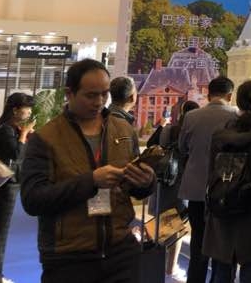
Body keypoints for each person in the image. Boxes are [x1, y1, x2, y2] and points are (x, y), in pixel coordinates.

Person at [20, 59, 155, 283]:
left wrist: (146, 182)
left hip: (121, 253)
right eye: (91, 95)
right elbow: (32, 199)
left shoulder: (123, 130)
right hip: (69, 258)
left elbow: (134, 190)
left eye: (104, 94)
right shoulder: (46, 138)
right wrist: (91, 181)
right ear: (69, 93)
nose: (99, 102)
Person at [203, 80, 251, 283]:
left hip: (222, 205)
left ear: (237, 100)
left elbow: (211, 172)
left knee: (221, 270)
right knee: (250, 270)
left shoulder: (220, 133)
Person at [178, 76, 237, 283]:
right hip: (225, 191)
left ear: (209, 95)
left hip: (196, 189)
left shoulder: (191, 116)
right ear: (230, 96)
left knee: (198, 242)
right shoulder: (236, 116)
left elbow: (182, 147)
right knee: (223, 244)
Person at [158, 99, 199, 283]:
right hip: (185, 182)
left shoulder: (170, 130)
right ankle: (171, 269)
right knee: (177, 227)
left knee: (165, 226)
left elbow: (161, 150)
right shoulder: (194, 132)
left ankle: (160, 266)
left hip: (168, 182)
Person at [0, 92, 35, 283]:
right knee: (1, 232)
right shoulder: (5, 130)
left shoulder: (10, 128)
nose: (29, 112)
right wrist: (25, 134)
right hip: (5, 186)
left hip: (7, 184)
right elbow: (16, 154)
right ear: (15, 110)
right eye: (27, 108)